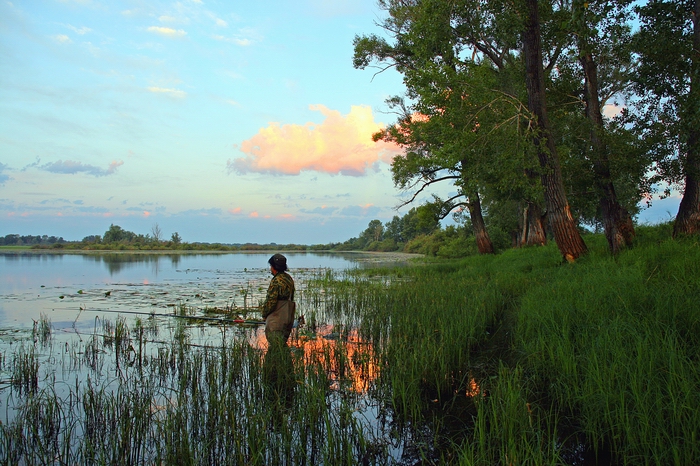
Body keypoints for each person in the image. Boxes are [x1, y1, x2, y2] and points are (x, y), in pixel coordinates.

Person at [261, 253, 296, 345]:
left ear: (273, 267)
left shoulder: (276, 281)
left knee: (275, 346)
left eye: (271, 266)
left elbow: (271, 301)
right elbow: (291, 297)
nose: (270, 268)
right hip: (288, 316)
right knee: (282, 345)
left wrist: (264, 314)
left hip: (277, 320)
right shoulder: (288, 278)